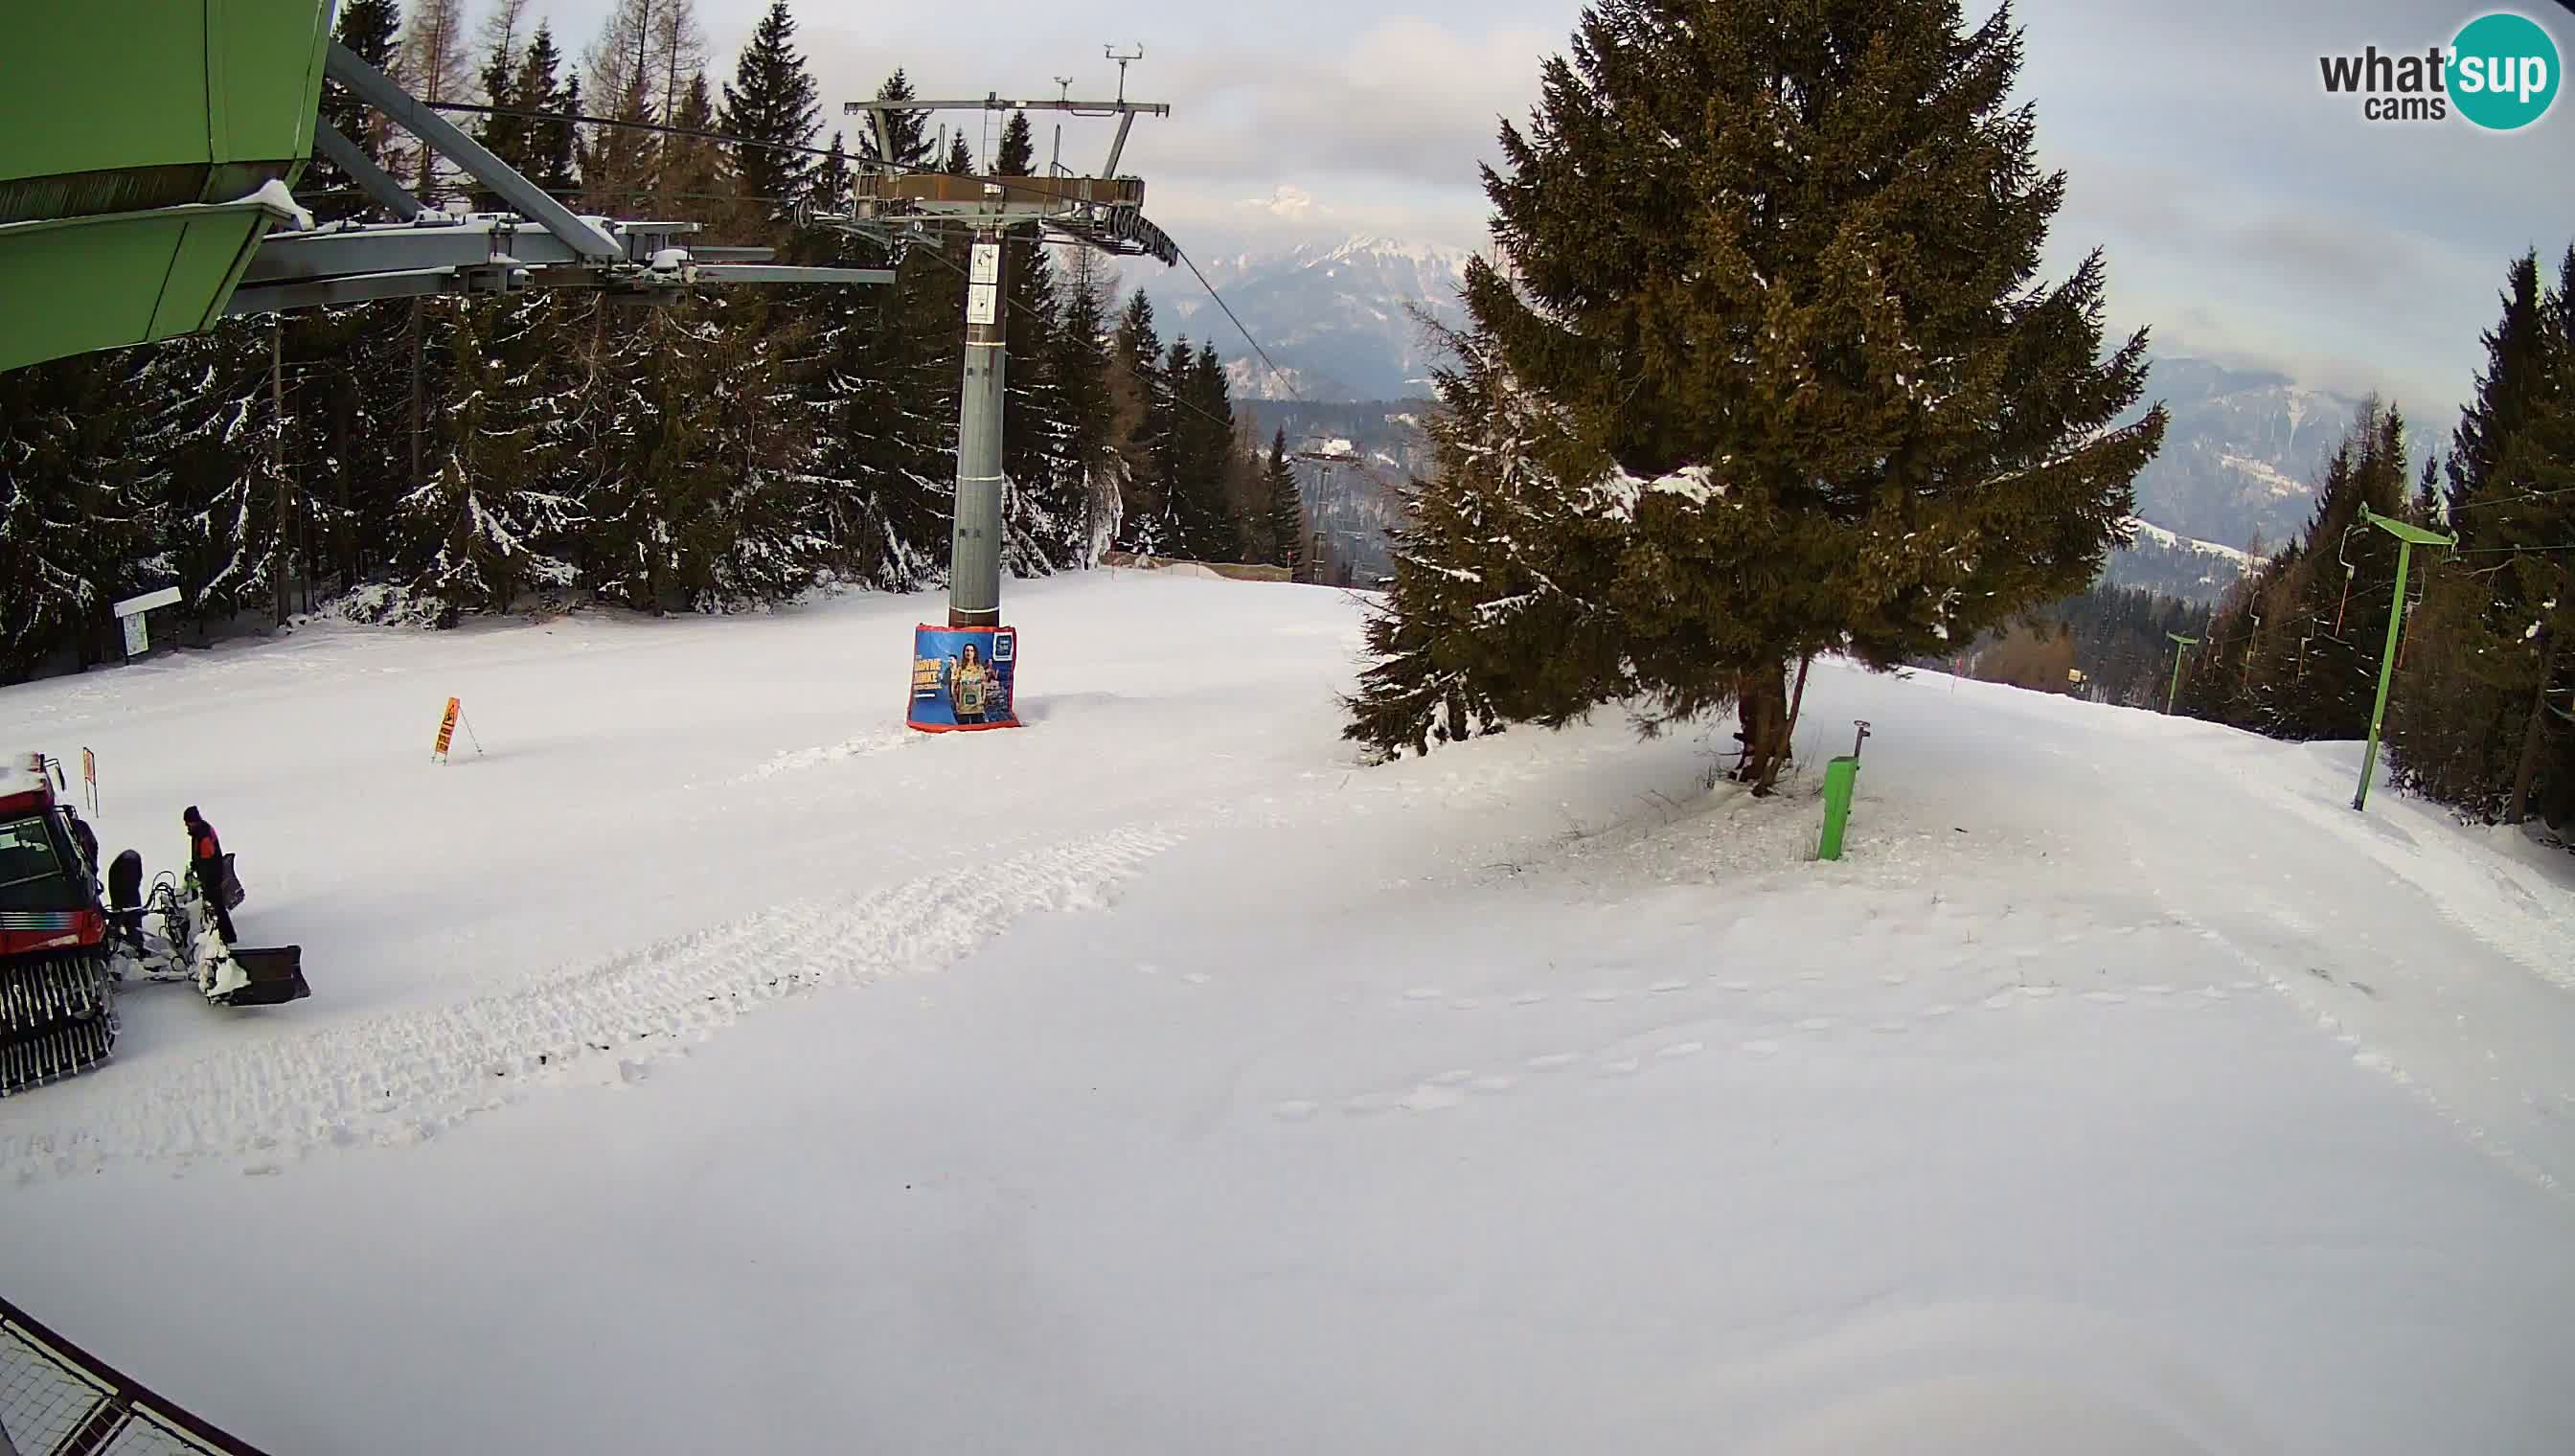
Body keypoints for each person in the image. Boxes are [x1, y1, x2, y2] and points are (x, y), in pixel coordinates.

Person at [183, 806, 237, 943]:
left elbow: (208, 861)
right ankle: (219, 933)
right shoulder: (199, 831)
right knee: (215, 906)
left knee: (218, 907)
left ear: (193, 821)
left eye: (187, 822)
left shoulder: (203, 835)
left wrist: (207, 881)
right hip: (210, 874)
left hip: (213, 877)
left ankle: (228, 936)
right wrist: (195, 863)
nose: (186, 825)